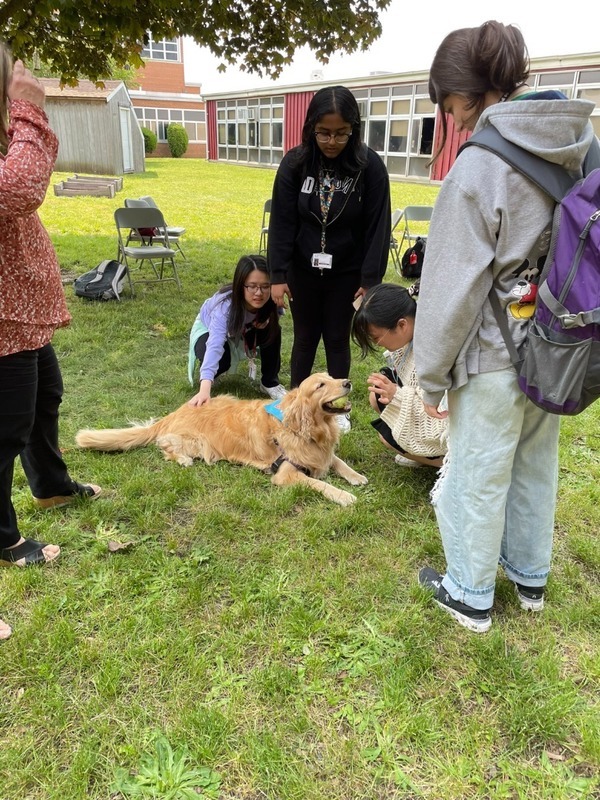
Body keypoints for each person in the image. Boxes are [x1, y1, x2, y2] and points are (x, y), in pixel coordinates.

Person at [413, 21, 598, 633]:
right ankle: (529, 575)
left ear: (472, 92)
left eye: (450, 104)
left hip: (494, 350)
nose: (453, 120)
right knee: (535, 460)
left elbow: (449, 289)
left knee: (478, 467)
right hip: (560, 340)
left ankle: (469, 592)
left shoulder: (480, 166)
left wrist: (431, 375)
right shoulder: (580, 142)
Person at [0, 49, 101, 638]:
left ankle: (52, 488)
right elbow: (20, 188)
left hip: (20, 307)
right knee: (4, 431)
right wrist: (30, 110)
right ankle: (5, 539)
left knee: (45, 399)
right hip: (4, 314)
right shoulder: (20, 120)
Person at [267, 85, 391, 431]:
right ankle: (294, 406)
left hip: (347, 274)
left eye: (341, 133)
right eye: (323, 132)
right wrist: (278, 274)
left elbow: (377, 228)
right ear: (311, 128)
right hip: (302, 270)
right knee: (305, 336)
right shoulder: (295, 163)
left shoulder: (369, 167)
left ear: (354, 129)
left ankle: (338, 410)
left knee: (337, 337)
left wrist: (370, 282)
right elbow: (282, 221)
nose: (332, 141)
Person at [352, 283, 447, 468]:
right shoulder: (418, 333)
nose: (378, 344)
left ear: (402, 325)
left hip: (444, 422)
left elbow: (441, 412)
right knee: (377, 396)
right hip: (422, 402)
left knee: (386, 436)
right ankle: (419, 452)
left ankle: (445, 463)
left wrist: (396, 394)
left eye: (376, 337)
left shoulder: (432, 351)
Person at [187, 254, 286, 406]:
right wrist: (204, 391)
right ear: (240, 286)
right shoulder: (224, 307)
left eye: (265, 286)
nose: (259, 293)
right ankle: (210, 375)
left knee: (273, 331)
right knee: (222, 359)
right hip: (209, 328)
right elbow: (214, 345)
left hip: (244, 328)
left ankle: (269, 383)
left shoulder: (272, 298)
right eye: (252, 286)